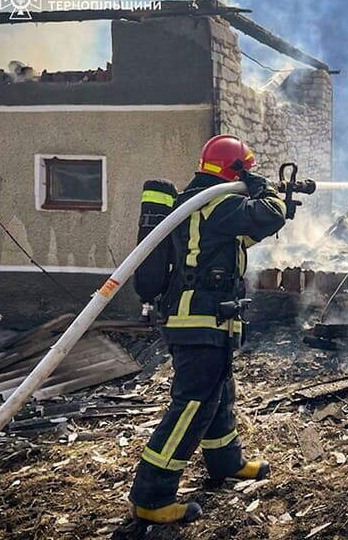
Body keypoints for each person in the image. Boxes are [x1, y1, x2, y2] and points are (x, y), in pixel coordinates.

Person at [128, 134, 288, 525]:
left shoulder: (198, 204)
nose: (249, 175)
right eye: (246, 170)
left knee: (218, 393)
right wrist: (265, 190)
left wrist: (272, 204)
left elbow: (245, 234)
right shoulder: (217, 203)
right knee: (193, 405)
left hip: (204, 319)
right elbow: (270, 215)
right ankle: (152, 495)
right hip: (199, 320)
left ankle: (225, 461)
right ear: (237, 171)